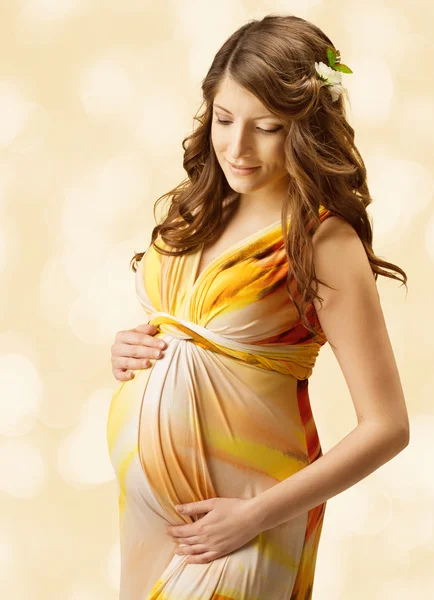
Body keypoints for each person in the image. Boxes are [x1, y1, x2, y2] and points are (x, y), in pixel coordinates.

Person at [107, 14, 409, 600]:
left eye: (267, 127)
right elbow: (198, 342)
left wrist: (255, 516)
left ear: (305, 129)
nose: (237, 147)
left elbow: (388, 427)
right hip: (151, 526)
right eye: (224, 120)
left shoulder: (323, 240)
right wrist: (132, 350)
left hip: (246, 528)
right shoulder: (197, 214)